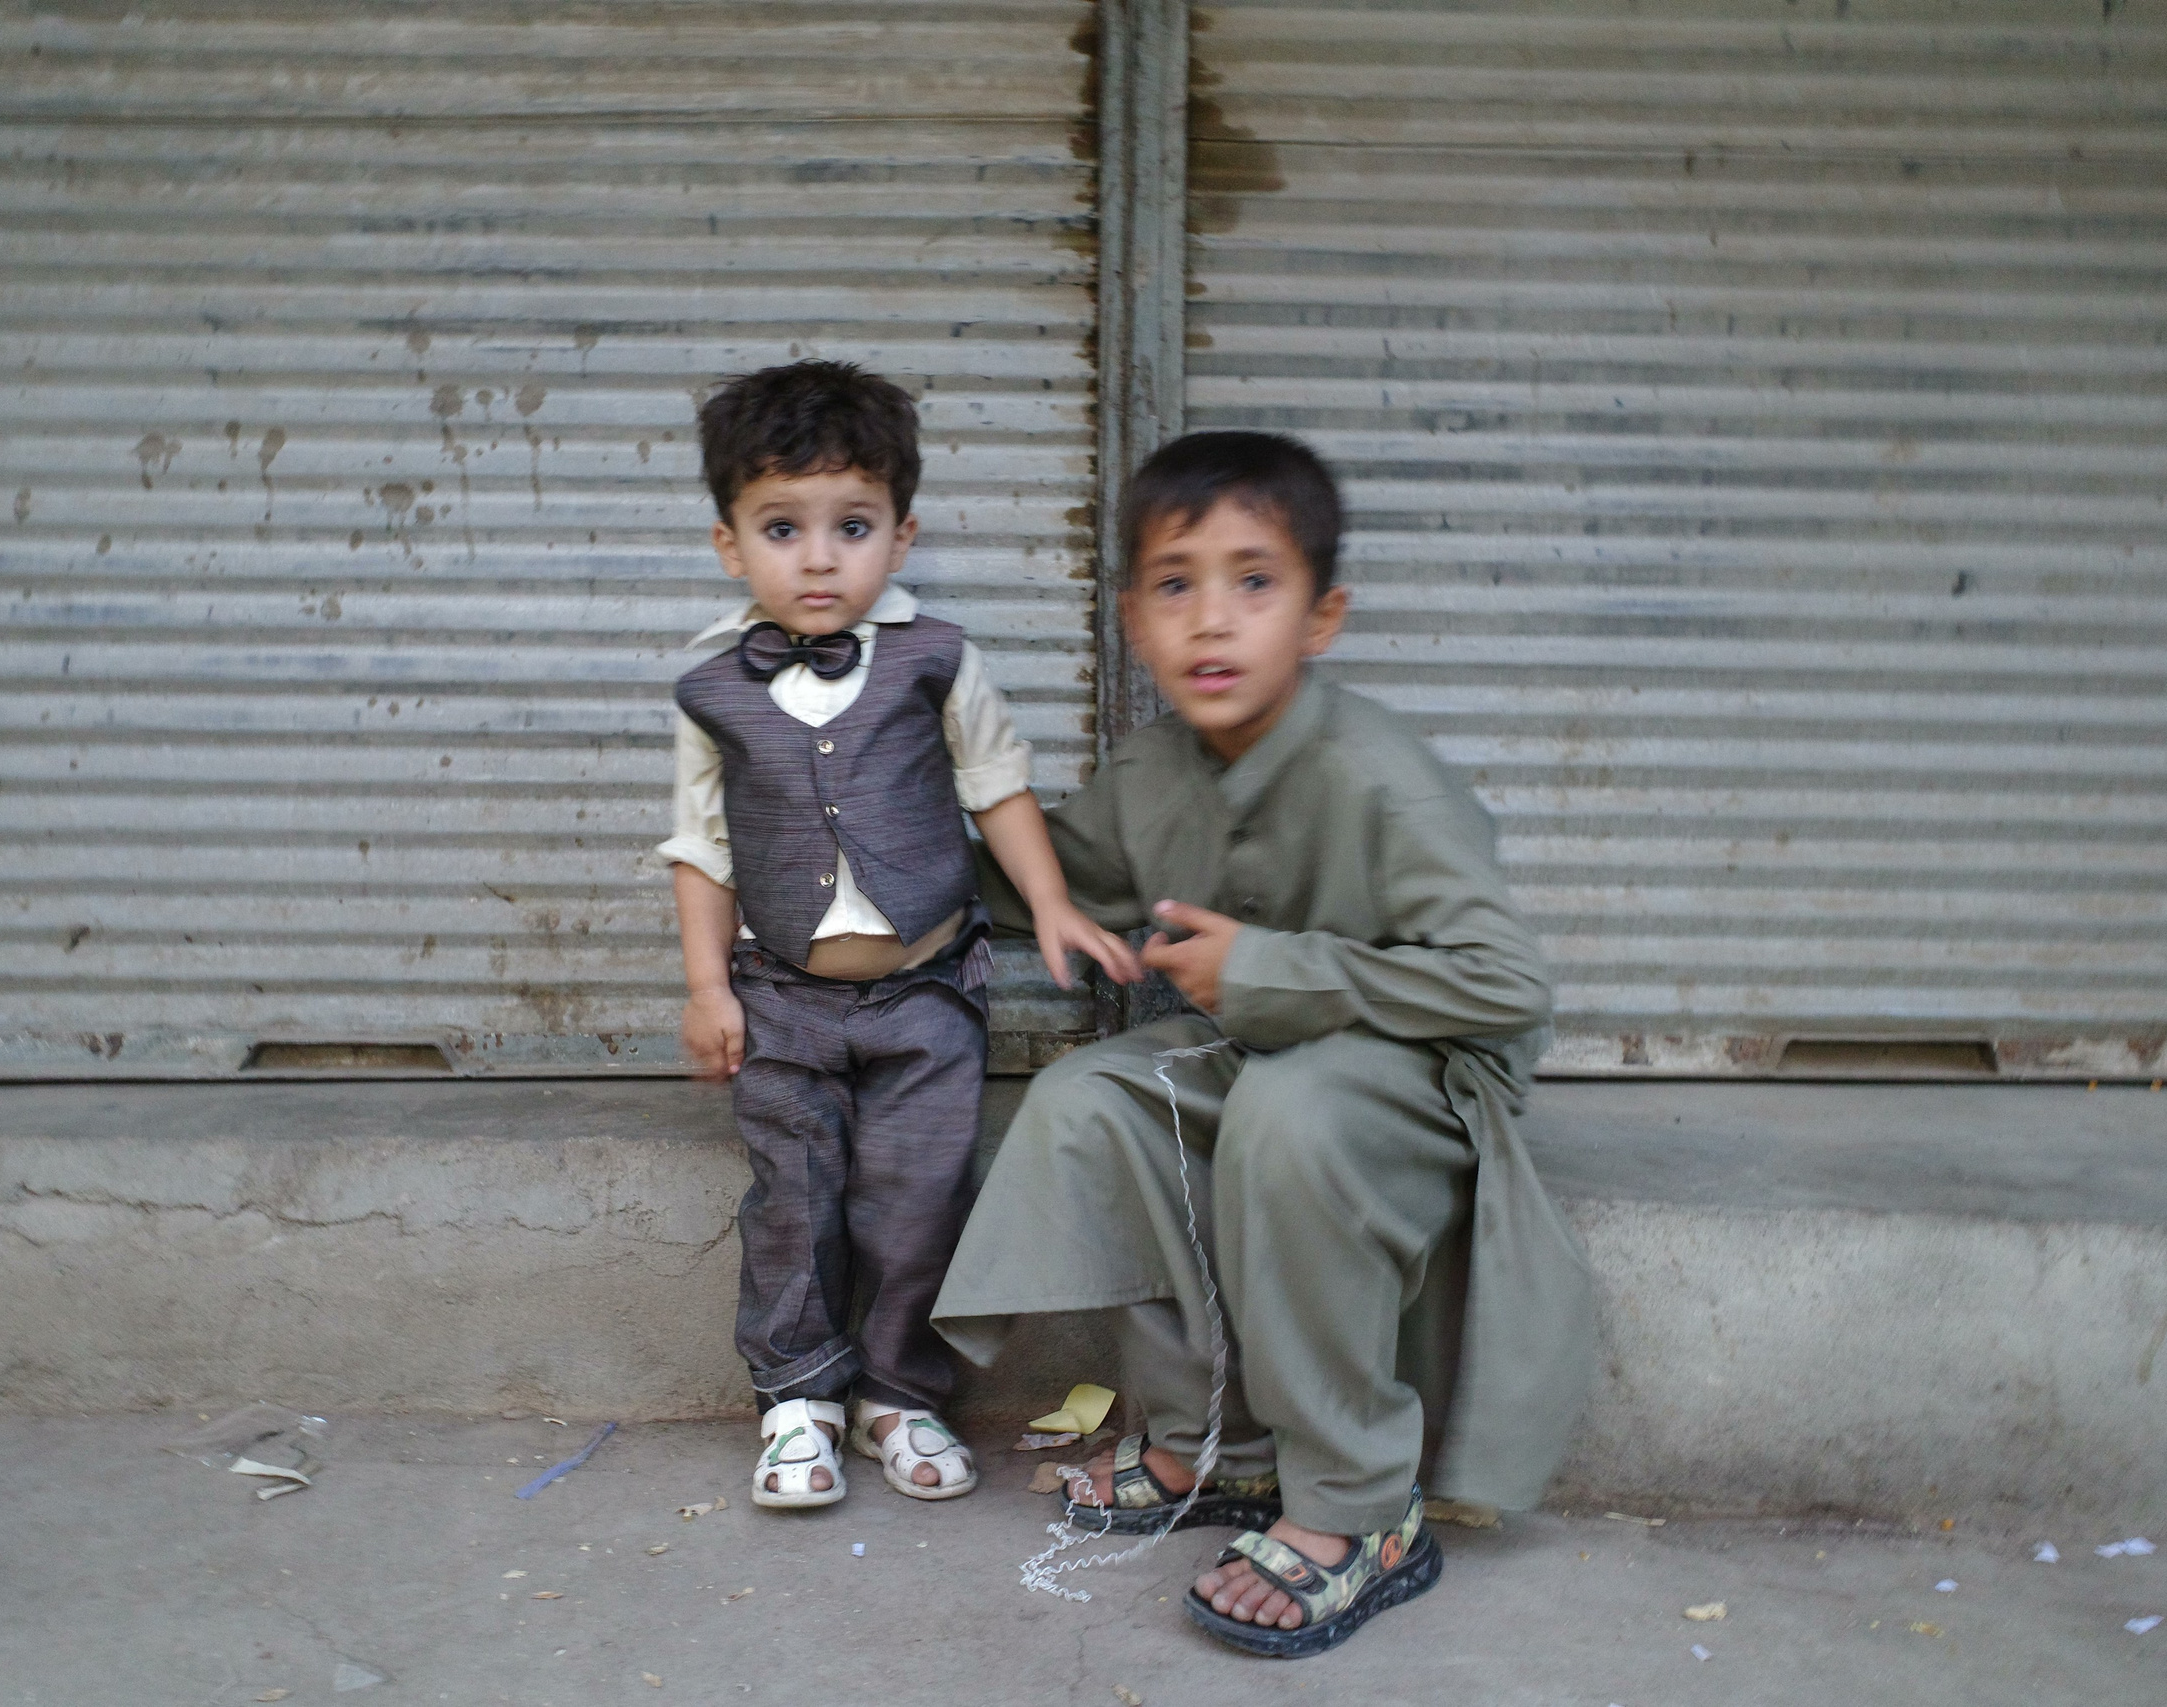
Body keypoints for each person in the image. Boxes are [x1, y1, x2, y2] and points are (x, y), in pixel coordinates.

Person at [934, 431, 1595, 1656]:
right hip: (1269, 1062)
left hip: (1421, 1080)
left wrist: (1269, 970)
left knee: (1289, 1114)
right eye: (1174, 583)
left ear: (1321, 617)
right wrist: (855, 835)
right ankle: (1219, 1446)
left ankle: (1357, 1507)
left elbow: (1506, 987)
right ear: (1134, 620)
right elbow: (1037, 884)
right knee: (1094, 1100)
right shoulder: (1150, 774)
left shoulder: (1378, 776)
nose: (1212, 619)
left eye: (1254, 581)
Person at [659, 360, 1140, 1512]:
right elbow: (700, 847)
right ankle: (797, 1400)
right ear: (730, 544)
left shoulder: (939, 660)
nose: (819, 558)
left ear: (902, 535)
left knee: (918, 1201)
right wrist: (707, 989)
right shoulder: (711, 690)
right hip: (780, 998)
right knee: (793, 1201)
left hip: (927, 1000)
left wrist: (1052, 903)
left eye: (853, 525)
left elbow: (997, 786)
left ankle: (897, 1395)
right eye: (782, 527)